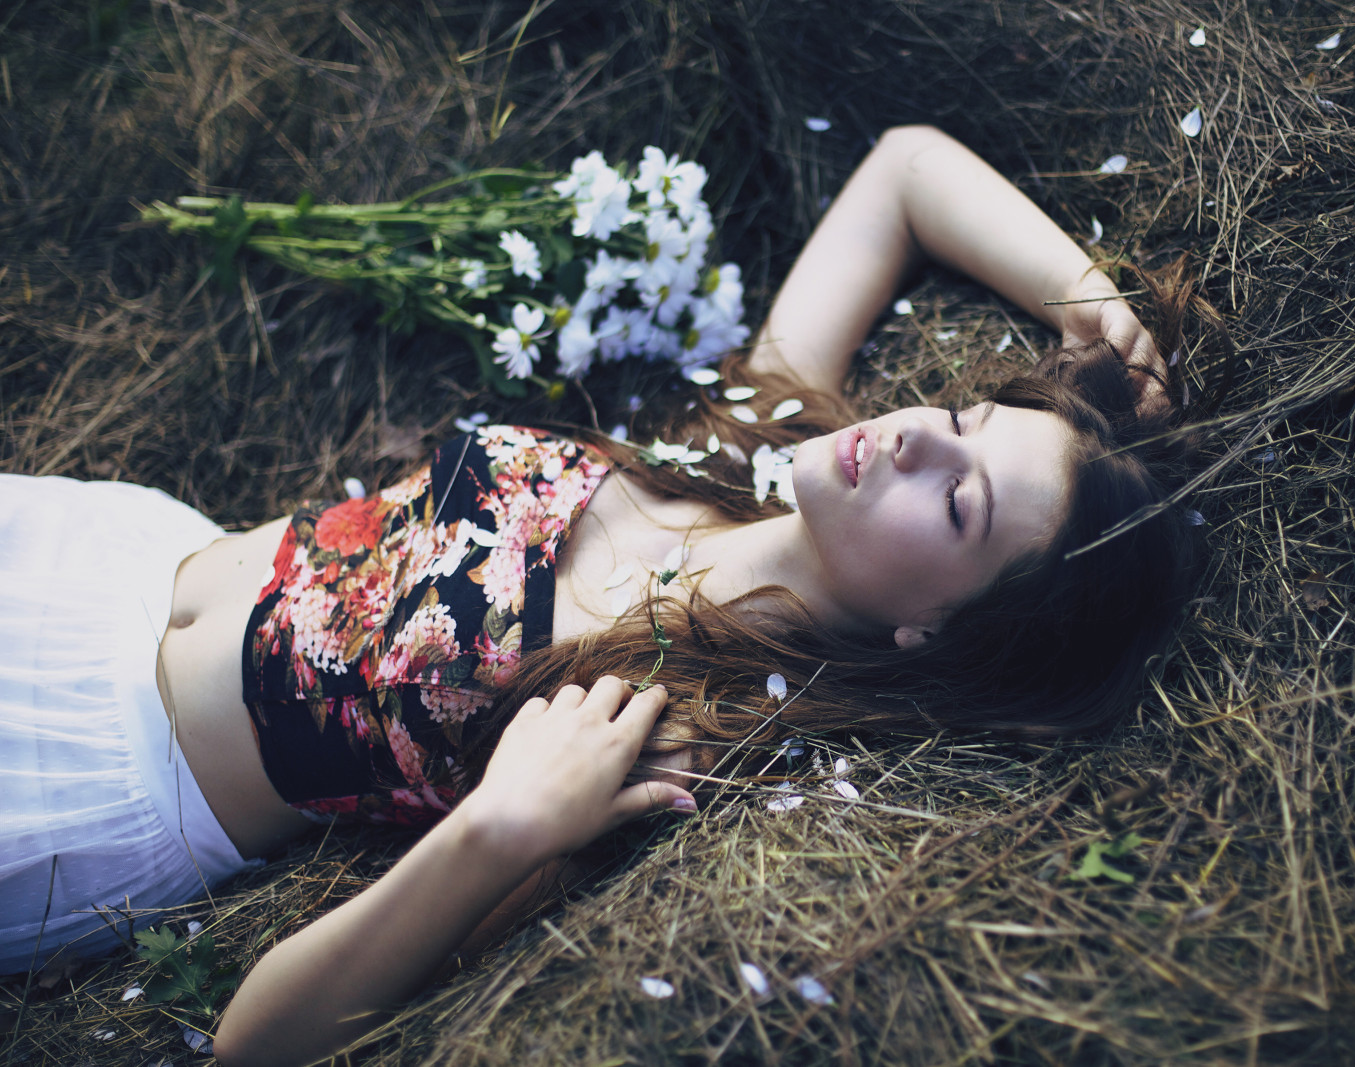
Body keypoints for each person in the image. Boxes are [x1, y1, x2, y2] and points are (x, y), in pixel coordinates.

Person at [0, 126, 1200, 1065]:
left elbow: (258, 1038)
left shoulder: (670, 724)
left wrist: (498, 831)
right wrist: (1086, 296)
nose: (909, 444)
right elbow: (904, 173)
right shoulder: (743, 445)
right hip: (102, 558)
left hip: (77, 774)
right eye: (954, 420)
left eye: (959, 505)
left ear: (933, 627)